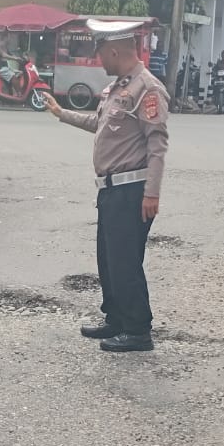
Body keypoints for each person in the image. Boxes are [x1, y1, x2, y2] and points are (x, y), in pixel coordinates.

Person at [45, 19, 170, 353]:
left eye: (99, 52)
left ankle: (138, 331)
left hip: (132, 191)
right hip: (111, 190)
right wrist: (61, 113)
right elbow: (99, 124)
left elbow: (157, 145)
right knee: (109, 259)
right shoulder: (118, 88)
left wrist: (152, 193)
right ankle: (115, 318)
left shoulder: (147, 89)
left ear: (114, 51)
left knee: (126, 261)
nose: (98, 59)